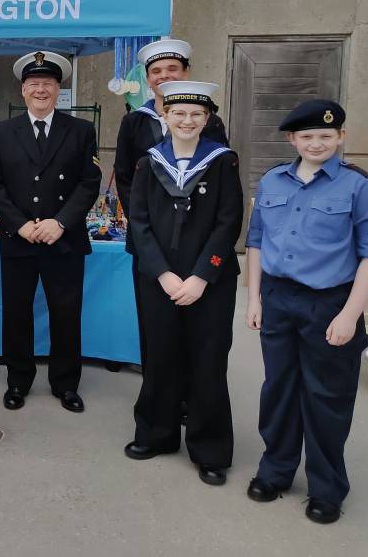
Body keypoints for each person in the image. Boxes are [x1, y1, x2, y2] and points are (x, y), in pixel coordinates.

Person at [244, 99, 368, 524]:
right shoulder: (272, 182)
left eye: (326, 135)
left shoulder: (359, 186)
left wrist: (349, 315)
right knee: (279, 390)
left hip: (330, 303)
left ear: (341, 137)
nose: (316, 143)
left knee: (327, 398)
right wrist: (254, 299)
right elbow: (255, 242)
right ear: (293, 139)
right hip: (278, 299)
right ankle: (276, 470)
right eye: (307, 136)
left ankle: (327, 488)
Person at [123, 81, 243, 487]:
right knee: (159, 356)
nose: (187, 121)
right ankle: (157, 433)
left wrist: (201, 276)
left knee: (207, 363)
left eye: (196, 114)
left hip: (209, 282)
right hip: (159, 279)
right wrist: (163, 272)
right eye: (179, 114)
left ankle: (210, 449)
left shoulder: (223, 162)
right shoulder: (148, 163)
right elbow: (138, 222)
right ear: (166, 118)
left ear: (207, 119)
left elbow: (228, 224)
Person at [0, 51, 102, 413]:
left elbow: (88, 183)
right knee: (16, 314)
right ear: (22, 90)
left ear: (58, 89)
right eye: (34, 84)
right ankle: (18, 381)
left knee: (66, 314)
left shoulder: (80, 130)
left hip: (63, 238)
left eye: (47, 84)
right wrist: (20, 225)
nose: (40, 90)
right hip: (19, 239)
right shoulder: (1, 133)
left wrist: (59, 222)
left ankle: (66, 384)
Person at [114, 39, 229, 414]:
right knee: (157, 332)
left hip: (199, 245)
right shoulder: (134, 122)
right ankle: (160, 404)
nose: (164, 77)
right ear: (148, 79)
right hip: (152, 245)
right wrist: (150, 237)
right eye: (157, 72)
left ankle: (192, 406)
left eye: (172, 70)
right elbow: (127, 179)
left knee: (203, 338)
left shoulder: (210, 122)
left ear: (186, 73)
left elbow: (222, 190)